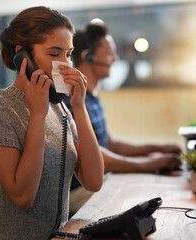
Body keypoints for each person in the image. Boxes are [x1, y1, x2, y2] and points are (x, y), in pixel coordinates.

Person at [0, 6, 103, 240]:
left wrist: (80, 109)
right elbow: (23, 196)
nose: (65, 64)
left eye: (68, 54)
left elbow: (93, 181)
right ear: (23, 56)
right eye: (54, 54)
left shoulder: (60, 108)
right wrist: (38, 115)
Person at [65, 22, 182, 208]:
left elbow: (111, 145)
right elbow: (91, 154)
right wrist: (146, 163)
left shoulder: (92, 98)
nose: (116, 59)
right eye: (110, 53)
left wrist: (159, 148)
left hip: (99, 181)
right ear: (89, 56)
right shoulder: (73, 101)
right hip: (80, 190)